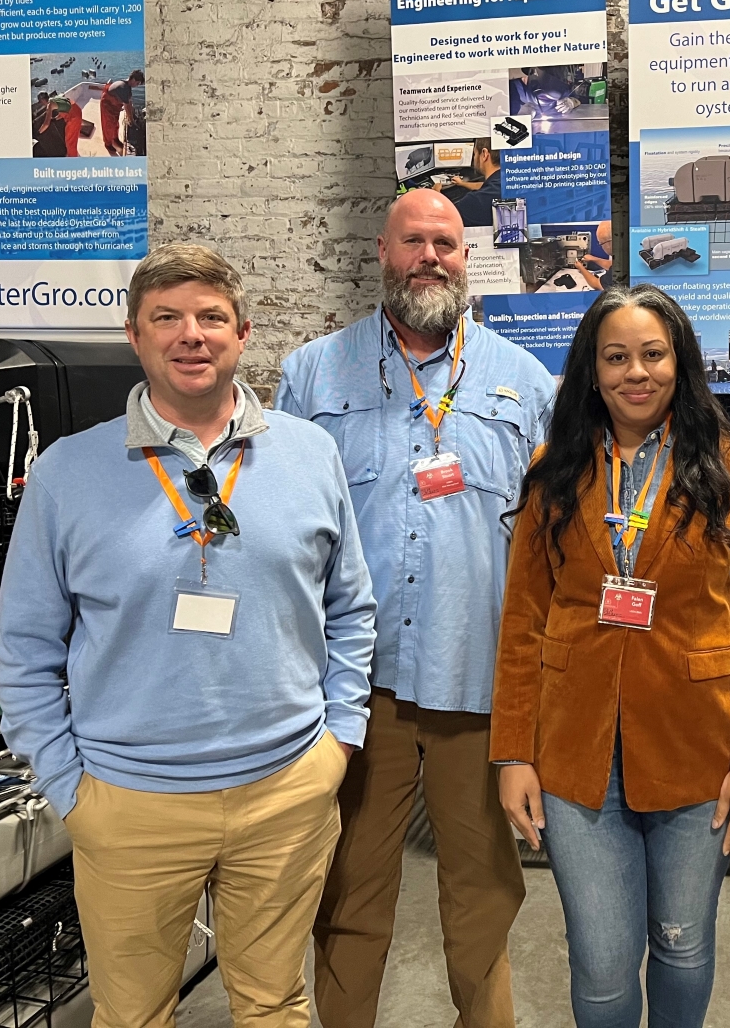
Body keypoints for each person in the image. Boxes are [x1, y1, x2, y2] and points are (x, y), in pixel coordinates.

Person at [0, 243, 377, 1028]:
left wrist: (337, 742)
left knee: (275, 1003)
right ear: (135, 336)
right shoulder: (68, 473)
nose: (189, 334)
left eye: (210, 316)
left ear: (242, 333)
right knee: (131, 1014)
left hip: (285, 791)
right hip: (129, 803)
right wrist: (70, 789)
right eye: (166, 317)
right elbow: (23, 650)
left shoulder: (310, 454)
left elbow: (352, 610)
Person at [277, 189, 555, 1028]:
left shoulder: (524, 380)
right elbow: (284, 528)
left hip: (478, 681)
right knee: (351, 889)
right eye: (414, 242)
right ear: (381, 250)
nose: (431, 256)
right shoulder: (312, 373)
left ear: (468, 259)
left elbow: (550, 545)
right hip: (359, 691)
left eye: (447, 243)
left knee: (481, 898)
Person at [492, 284, 730, 1028]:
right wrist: (513, 755)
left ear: (680, 361)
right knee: (600, 959)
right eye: (617, 356)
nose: (637, 372)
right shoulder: (554, 469)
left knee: (683, 945)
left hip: (699, 748)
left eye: (653, 354)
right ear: (592, 371)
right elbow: (524, 622)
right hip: (575, 757)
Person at [441, 137, 501, 227]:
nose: (474, 157)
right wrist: (462, 183)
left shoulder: (474, 201)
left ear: (484, 154)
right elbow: (485, 185)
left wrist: (436, 194)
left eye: (475, 153)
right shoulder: (512, 180)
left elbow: (442, 219)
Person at [100, 69, 144, 155]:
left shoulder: (127, 86)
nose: (137, 85)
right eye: (138, 83)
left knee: (115, 124)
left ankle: (115, 138)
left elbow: (129, 102)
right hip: (107, 105)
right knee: (108, 126)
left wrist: (132, 115)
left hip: (114, 107)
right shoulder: (123, 87)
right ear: (134, 80)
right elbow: (127, 107)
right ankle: (108, 143)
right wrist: (131, 120)